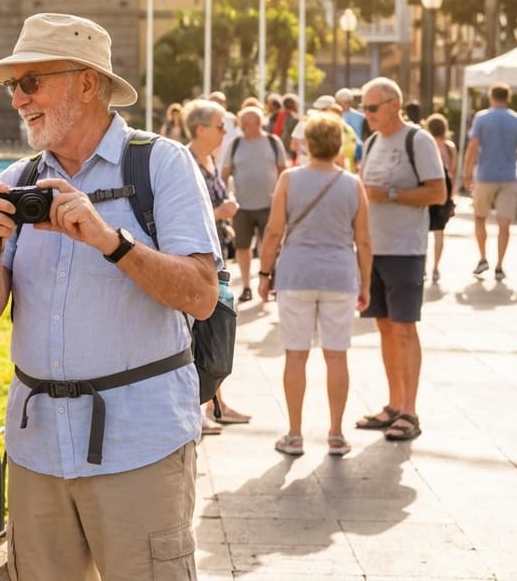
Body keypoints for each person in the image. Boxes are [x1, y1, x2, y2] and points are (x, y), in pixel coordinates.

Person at [0, 13, 220, 580]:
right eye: (12, 86)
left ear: (85, 82)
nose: (17, 101)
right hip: (38, 450)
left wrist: (110, 241)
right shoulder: (18, 177)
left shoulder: (162, 164)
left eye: (31, 83)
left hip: (140, 445)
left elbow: (201, 295)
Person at [257, 113, 371, 457]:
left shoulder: (290, 179)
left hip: (297, 274)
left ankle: (294, 434)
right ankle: (335, 434)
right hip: (339, 274)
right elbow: (364, 240)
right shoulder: (353, 184)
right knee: (337, 356)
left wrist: (263, 275)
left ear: (307, 143)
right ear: (338, 144)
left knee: (296, 354)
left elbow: (274, 231)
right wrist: (365, 283)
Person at [355, 77, 445, 443]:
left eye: (372, 107)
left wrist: (389, 193)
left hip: (406, 249)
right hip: (374, 249)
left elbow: (437, 192)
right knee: (385, 327)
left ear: (394, 104)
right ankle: (393, 404)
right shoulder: (373, 141)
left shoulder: (418, 140)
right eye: (364, 108)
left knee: (405, 329)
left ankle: (410, 410)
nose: (367, 114)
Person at [185, 98, 248, 432]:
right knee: (204, 333)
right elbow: (181, 220)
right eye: (220, 126)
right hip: (197, 263)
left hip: (218, 258)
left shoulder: (209, 160)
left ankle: (217, 403)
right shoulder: (185, 162)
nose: (226, 132)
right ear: (200, 129)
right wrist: (218, 214)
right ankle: (202, 408)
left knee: (218, 331)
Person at [221, 105, 287, 303]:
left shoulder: (273, 142)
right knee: (242, 248)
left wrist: (282, 198)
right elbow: (224, 174)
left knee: (271, 244)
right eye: (241, 123)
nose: (242, 127)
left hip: (270, 205)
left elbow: (283, 171)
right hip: (242, 206)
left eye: (245, 123)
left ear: (257, 123)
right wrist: (227, 197)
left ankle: (269, 282)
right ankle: (247, 287)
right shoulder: (235, 144)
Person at [462, 83, 517, 281]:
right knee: (504, 224)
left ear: (491, 97)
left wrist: (467, 173)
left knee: (480, 218)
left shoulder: (482, 118)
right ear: (508, 98)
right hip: (508, 176)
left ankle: (482, 257)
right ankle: (499, 265)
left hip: (485, 175)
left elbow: (473, 147)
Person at [424, 113, 458, 283]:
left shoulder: (426, 144)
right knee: (439, 233)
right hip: (445, 192)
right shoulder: (450, 147)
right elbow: (452, 172)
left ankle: (422, 267)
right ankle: (435, 268)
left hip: (427, 190)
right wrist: (452, 197)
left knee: (422, 231)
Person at [336, 87, 366, 164]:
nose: (344, 105)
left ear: (351, 102)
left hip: (357, 151)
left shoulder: (361, 117)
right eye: (341, 102)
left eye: (347, 102)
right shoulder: (334, 116)